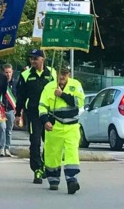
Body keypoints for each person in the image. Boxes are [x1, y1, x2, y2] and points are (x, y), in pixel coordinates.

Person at [39, 61, 84, 194]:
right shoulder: (49, 87)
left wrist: (62, 95)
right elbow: (42, 106)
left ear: (69, 74)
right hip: (55, 126)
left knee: (72, 153)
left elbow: (79, 102)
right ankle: (53, 179)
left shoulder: (76, 85)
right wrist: (45, 121)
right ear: (57, 74)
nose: (62, 76)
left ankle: (72, 180)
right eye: (60, 73)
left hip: (72, 126)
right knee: (52, 153)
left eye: (65, 74)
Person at [15, 49, 57, 184]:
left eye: (35, 58)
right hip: (33, 113)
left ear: (42, 59)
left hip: (49, 114)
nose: (33, 61)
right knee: (35, 142)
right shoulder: (26, 74)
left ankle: (46, 164)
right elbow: (20, 96)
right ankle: (37, 169)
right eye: (31, 58)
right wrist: (17, 113)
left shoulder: (52, 73)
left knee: (49, 142)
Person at [0, 63, 17, 157]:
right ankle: (1, 148)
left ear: (12, 72)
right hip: (1, 109)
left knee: (9, 130)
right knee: (2, 127)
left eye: (9, 72)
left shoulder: (15, 83)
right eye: (6, 72)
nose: (8, 74)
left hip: (11, 110)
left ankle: (7, 148)